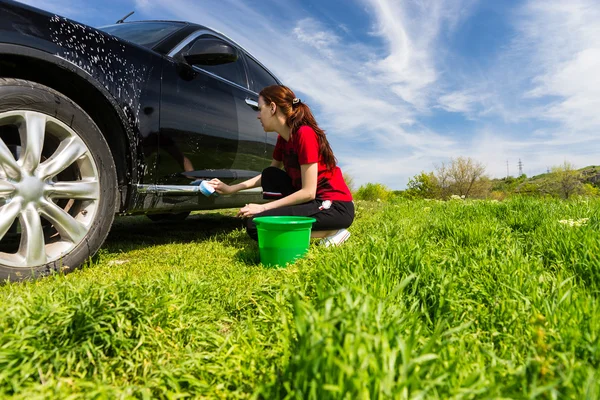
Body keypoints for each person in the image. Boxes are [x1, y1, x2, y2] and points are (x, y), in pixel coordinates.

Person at [207, 85, 354, 246]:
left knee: (256, 225)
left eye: (260, 108)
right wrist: (231, 189)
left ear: (272, 108)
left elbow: (309, 192)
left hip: (334, 206)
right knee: (271, 174)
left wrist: (263, 208)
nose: (258, 116)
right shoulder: (283, 139)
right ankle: (302, 225)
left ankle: (332, 231)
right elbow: (267, 177)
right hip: (312, 202)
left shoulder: (304, 134)